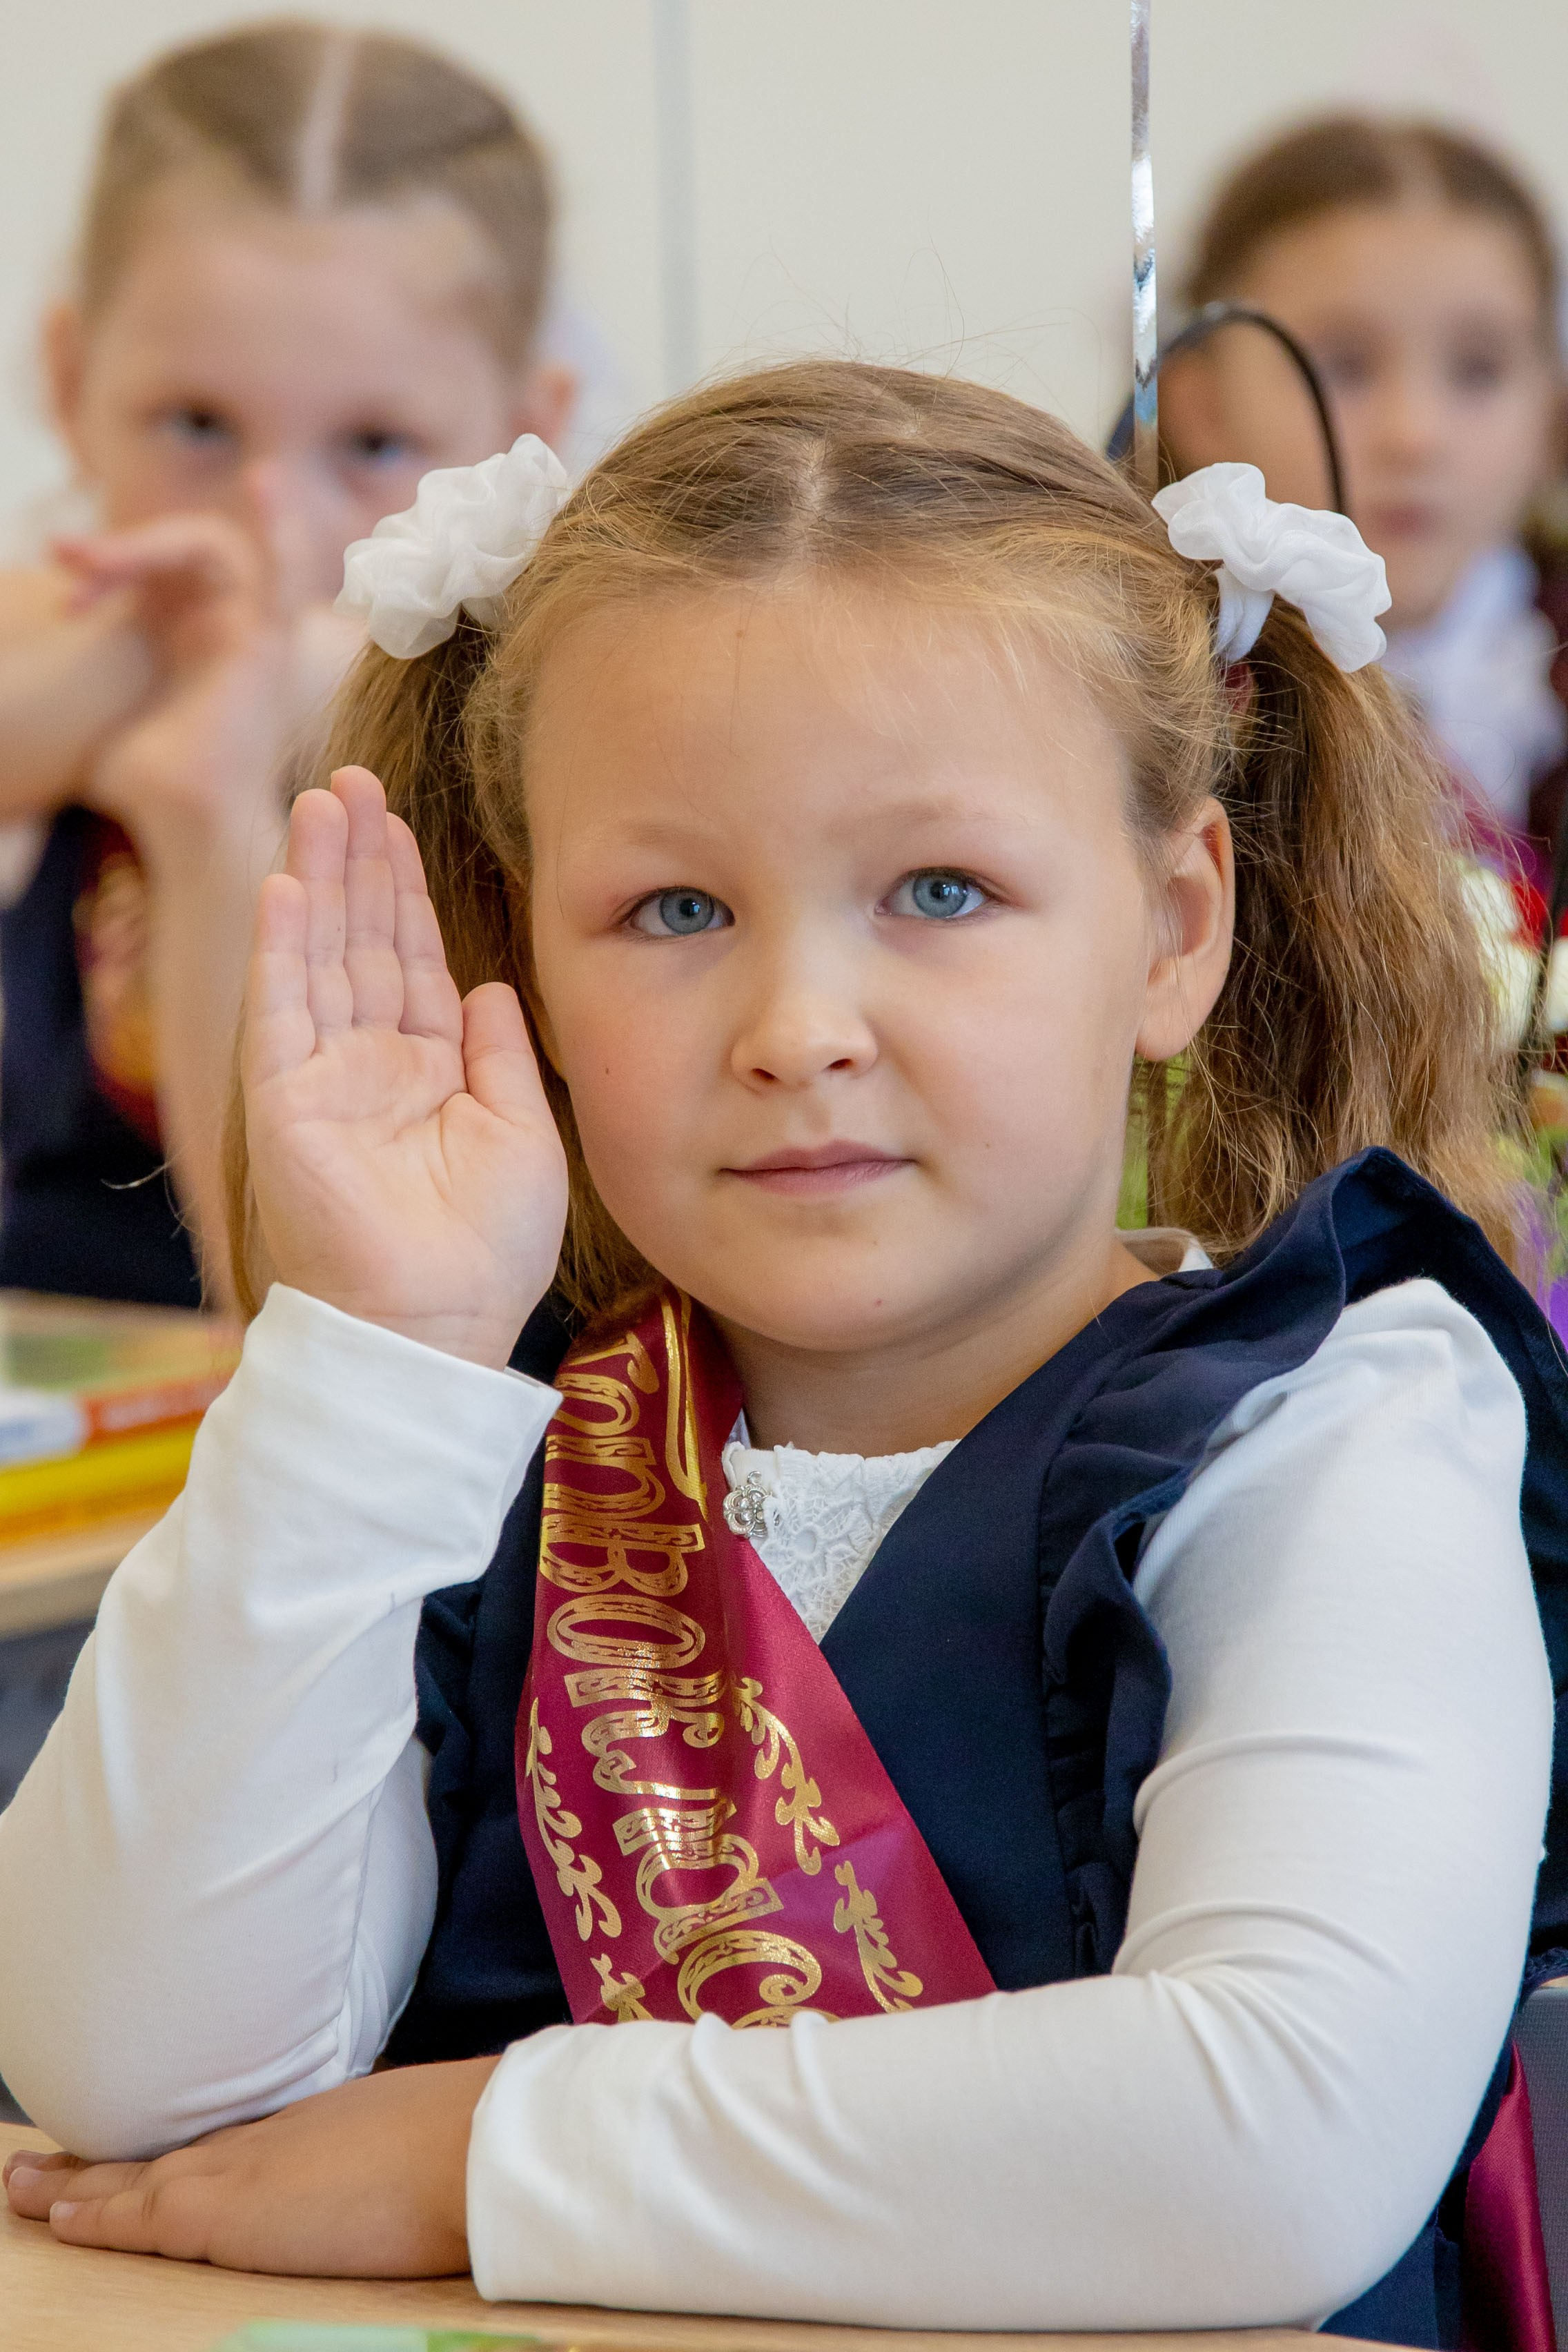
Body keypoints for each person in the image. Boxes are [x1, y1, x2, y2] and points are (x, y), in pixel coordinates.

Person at [1, 362, 1563, 2346]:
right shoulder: (481, 1439)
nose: (798, 1020)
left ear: (1173, 929)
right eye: (671, 907)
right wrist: (373, 1363)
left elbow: (1276, 2134)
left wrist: (479, 2157)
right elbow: (130, 2074)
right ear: (527, 964)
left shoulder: (1336, 1431)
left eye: (940, 892)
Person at [0, 19, 570, 1306]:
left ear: (526, 436)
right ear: (70, 376)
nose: (273, 527)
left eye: (372, 442)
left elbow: (283, 1301)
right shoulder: (82, 641)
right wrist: (225, 666)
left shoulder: (545, 729)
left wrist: (206, 800)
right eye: (198, 424)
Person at [1159, 115, 1567, 892]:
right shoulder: (1134, 684)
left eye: (1477, 371)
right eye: (1343, 367)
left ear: (1550, 415)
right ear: (1203, 404)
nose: (1415, 437)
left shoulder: (1543, 693)